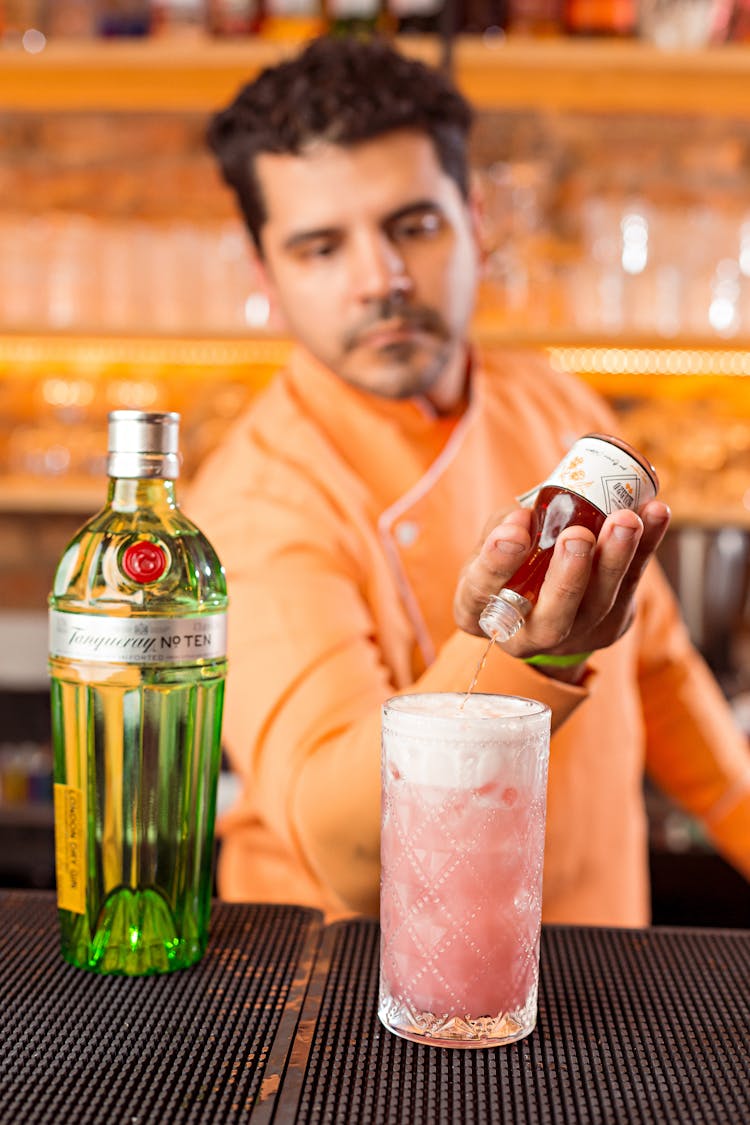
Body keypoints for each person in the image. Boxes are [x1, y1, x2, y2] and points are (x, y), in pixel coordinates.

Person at [187, 35, 750, 924]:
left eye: (414, 224)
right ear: (266, 275)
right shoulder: (256, 502)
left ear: (475, 220)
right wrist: (529, 654)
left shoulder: (548, 397)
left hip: (601, 956)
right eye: (321, 247)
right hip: (364, 1000)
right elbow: (349, 848)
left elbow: (659, 667)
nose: (384, 279)